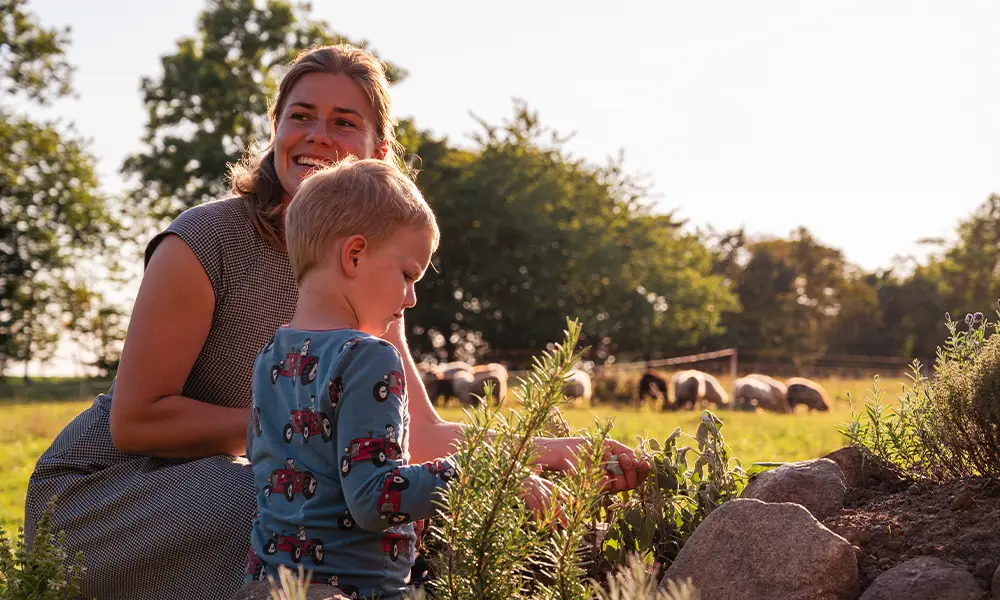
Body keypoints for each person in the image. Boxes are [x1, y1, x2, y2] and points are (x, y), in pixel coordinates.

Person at [23, 43, 650, 600]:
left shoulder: (368, 277)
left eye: (344, 122)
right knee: (305, 501)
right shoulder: (205, 240)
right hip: (106, 493)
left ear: (379, 151)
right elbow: (137, 421)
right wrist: (313, 430)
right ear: (275, 131)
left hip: (250, 476)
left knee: (334, 498)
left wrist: (544, 454)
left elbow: (415, 436)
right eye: (300, 116)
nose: (318, 135)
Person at [246, 158, 459, 599]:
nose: (412, 297)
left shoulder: (271, 354)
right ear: (354, 255)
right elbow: (374, 498)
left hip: (268, 584)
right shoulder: (369, 356)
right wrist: (481, 472)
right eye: (407, 274)